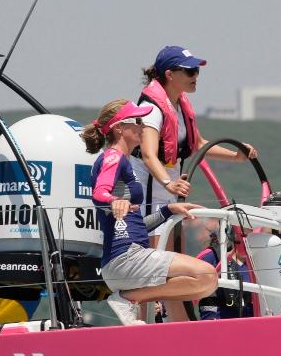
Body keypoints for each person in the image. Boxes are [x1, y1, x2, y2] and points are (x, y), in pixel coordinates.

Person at [131, 45, 257, 320]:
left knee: (173, 265)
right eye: (189, 71)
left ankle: (180, 325)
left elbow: (198, 144)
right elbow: (150, 153)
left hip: (169, 193)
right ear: (169, 74)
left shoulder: (179, 106)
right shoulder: (150, 108)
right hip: (151, 197)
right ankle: (142, 323)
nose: (195, 76)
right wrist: (168, 183)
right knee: (152, 266)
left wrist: (236, 157)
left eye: (197, 70)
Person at [82, 99, 218, 325]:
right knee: (206, 275)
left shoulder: (122, 160)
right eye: (136, 121)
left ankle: (129, 298)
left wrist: (167, 211)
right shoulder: (113, 157)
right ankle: (128, 298)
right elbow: (99, 193)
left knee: (205, 285)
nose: (142, 125)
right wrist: (114, 201)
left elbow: (135, 225)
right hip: (126, 257)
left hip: (127, 257)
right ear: (119, 128)